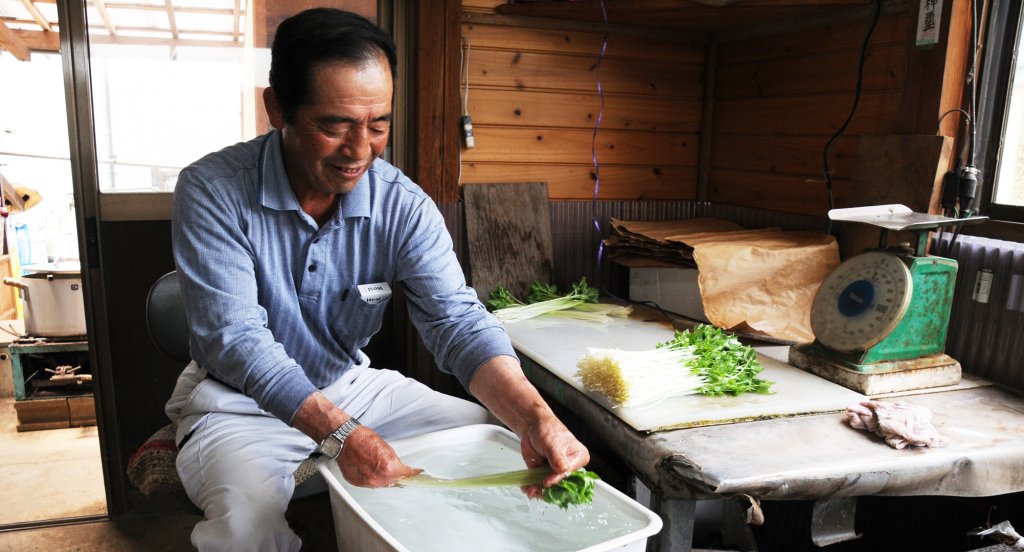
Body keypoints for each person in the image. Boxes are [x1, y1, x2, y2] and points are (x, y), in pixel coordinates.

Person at [164, 7, 590, 551]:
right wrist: (341, 435)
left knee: (485, 437)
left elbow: (458, 322)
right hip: (238, 401)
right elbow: (237, 340)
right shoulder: (213, 189)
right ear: (277, 109)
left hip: (350, 384)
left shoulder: (403, 206)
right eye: (334, 125)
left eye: (379, 124)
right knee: (246, 531)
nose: (360, 149)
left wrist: (534, 417)